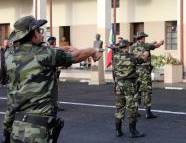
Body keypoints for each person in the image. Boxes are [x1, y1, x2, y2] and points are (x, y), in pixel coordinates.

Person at [2, 15, 103, 143]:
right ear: (33, 34)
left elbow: (45, 52)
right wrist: (92, 50)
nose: (41, 33)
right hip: (37, 130)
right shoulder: (44, 54)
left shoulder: (9, 55)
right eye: (39, 30)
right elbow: (76, 56)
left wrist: (6, 128)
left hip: (16, 127)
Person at [112, 39, 149, 138]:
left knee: (119, 107)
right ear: (127, 47)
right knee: (132, 107)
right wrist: (146, 52)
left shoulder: (115, 57)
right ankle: (133, 131)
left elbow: (114, 72)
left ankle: (118, 131)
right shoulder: (131, 57)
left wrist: (115, 84)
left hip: (119, 84)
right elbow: (143, 60)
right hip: (129, 85)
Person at [131, 32, 164, 119]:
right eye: (144, 37)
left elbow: (149, 45)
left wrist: (152, 43)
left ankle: (135, 111)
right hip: (144, 71)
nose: (144, 39)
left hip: (135, 71)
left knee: (136, 91)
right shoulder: (146, 46)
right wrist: (161, 42)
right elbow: (156, 46)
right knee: (147, 91)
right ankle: (148, 112)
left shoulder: (133, 46)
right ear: (142, 38)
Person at [47, 36, 65, 112]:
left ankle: (52, 105)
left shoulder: (45, 50)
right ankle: (53, 106)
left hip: (50, 73)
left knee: (50, 90)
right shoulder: (56, 50)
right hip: (53, 73)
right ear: (54, 42)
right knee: (53, 90)